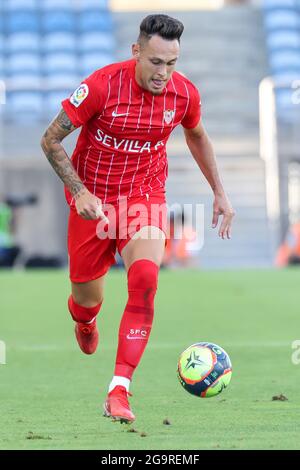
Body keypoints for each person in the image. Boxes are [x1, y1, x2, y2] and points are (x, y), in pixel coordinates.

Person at [41, 14, 235, 423]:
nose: (164, 73)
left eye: (172, 63)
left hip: (144, 197)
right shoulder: (101, 86)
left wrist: (219, 192)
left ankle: (119, 391)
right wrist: (79, 191)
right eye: (156, 62)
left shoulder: (183, 95)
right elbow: (50, 138)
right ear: (136, 52)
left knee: (145, 282)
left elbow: (197, 135)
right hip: (92, 202)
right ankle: (85, 320)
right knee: (85, 300)